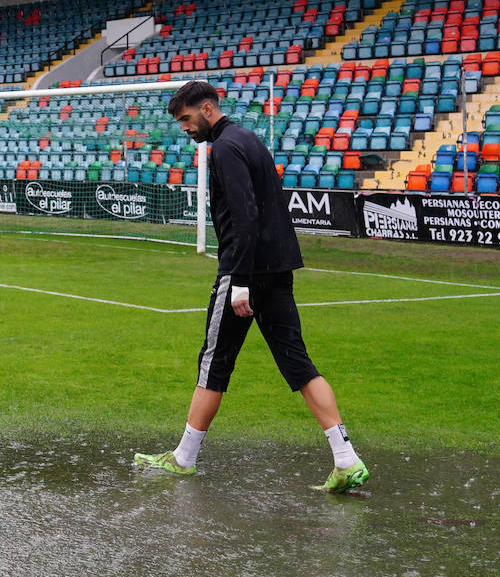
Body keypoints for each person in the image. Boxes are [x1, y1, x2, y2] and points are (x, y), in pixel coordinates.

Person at [133, 80, 369, 493]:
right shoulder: (248, 139)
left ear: (207, 109)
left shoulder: (224, 147)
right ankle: (346, 458)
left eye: (187, 119)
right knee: (298, 364)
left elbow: (245, 216)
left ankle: (183, 457)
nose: (185, 128)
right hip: (278, 269)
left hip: (245, 274)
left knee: (214, 364)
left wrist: (238, 282)